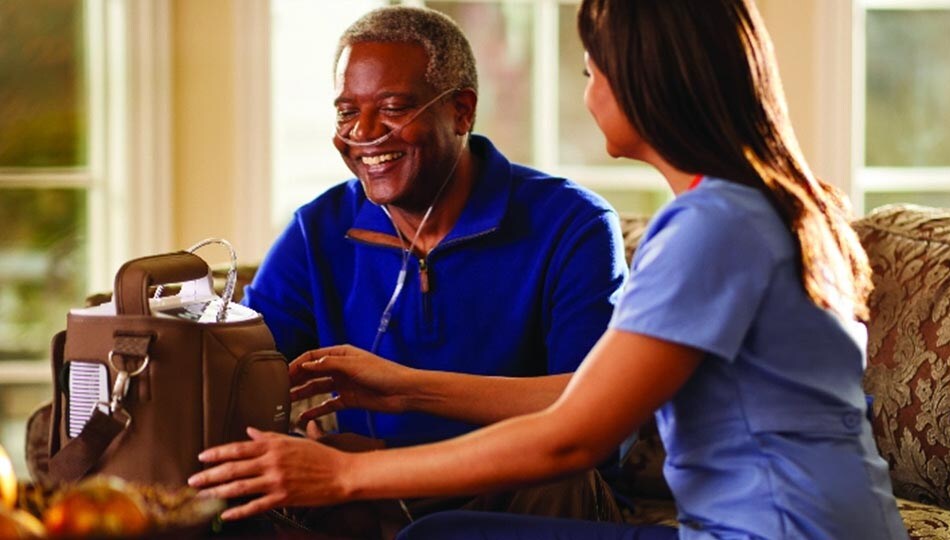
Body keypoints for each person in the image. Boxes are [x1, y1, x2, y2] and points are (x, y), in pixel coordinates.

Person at [191, 0, 909, 538]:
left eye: (593, 70)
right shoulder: (748, 209)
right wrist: (398, 395)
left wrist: (345, 473)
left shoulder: (713, 227)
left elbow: (577, 432)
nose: (588, 90)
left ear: (645, 81)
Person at [236, 4, 628, 534]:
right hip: (370, 494)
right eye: (347, 111)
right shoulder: (317, 230)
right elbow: (240, 375)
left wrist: (388, 448)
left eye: (394, 107)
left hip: (517, 489)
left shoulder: (572, 224)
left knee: (557, 475)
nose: (365, 133)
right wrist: (310, 451)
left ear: (462, 112)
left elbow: (596, 415)